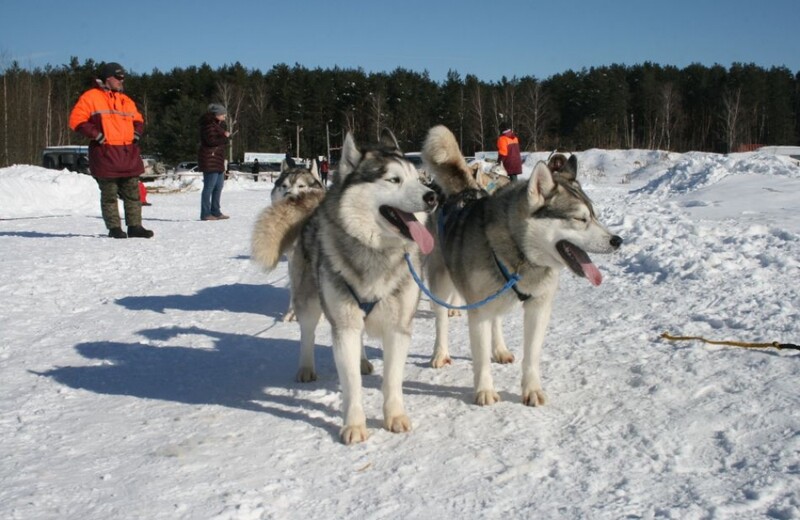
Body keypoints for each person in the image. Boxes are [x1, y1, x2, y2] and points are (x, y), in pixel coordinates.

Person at [68, 62, 153, 239]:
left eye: (123, 77)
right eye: (118, 77)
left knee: (133, 194)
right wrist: (97, 135)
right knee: (109, 196)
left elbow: (138, 120)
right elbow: (76, 120)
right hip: (105, 154)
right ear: (108, 78)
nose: (122, 80)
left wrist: (136, 134)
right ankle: (114, 228)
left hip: (127, 153)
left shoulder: (126, 100)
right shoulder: (91, 97)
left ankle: (135, 226)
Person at [198, 103, 231, 221]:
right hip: (210, 159)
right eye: (223, 114)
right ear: (216, 114)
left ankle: (215, 211)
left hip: (217, 159)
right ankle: (205, 213)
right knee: (209, 187)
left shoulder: (216, 125)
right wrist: (225, 137)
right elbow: (211, 141)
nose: (225, 116)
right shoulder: (208, 125)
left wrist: (224, 136)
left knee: (219, 186)